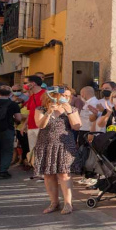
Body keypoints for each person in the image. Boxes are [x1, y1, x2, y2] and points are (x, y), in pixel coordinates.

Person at [32, 86, 81, 214]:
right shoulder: (41, 109)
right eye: (64, 95)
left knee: (64, 174)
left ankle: (68, 203)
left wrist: (69, 112)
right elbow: (40, 125)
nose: (66, 98)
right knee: (48, 174)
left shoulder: (72, 109)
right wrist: (48, 112)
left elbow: (77, 126)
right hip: (46, 144)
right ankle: (54, 202)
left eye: (68, 96)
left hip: (65, 145)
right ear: (54, 95)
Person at [0, 84, 23, 178]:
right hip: (7, 129)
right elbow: (18, 118)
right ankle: (3, 172)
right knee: (7, 150)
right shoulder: (13, 104)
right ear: (10, 93)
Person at [23, 76, 46, 165]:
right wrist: (25, 125)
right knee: (33, 150)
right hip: (31, 126)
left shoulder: (45, 94)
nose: (25, 85)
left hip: (40, 126)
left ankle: (44, 173)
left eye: (26, 83)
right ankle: (37, 170)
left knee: (41, 149)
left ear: (32, 84)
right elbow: (31, 112)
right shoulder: (32, 96)